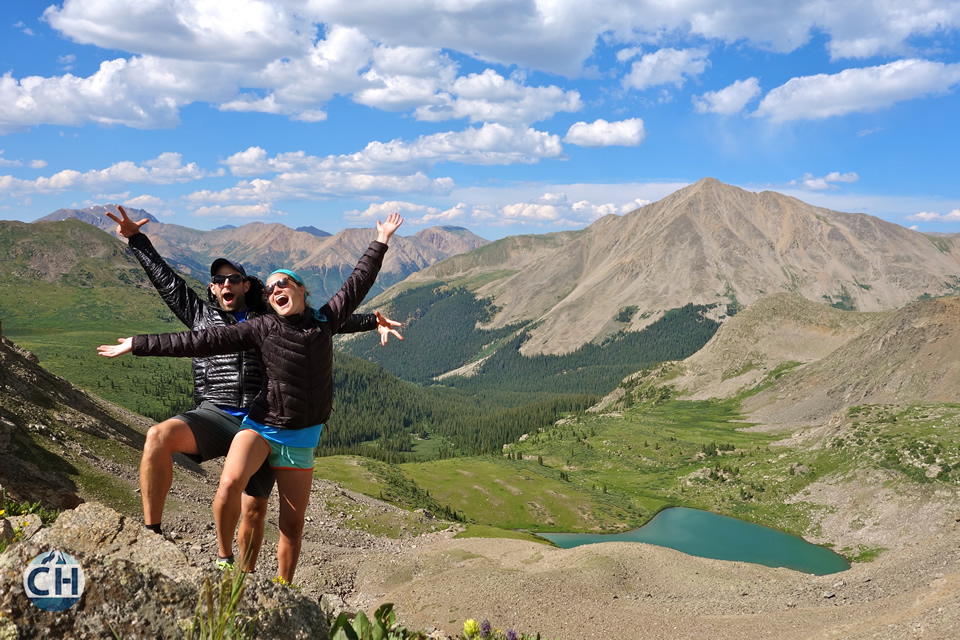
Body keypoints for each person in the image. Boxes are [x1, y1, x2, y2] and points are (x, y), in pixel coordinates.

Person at [99, 212, 403, 583]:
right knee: (158, 437)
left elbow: (323, 317)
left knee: (256, 512)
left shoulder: (267, 316)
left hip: (264, 419)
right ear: (212, 288)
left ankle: (244, 581)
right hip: (218, 415)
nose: (226, 284)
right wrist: (137, 241)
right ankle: (153, 533)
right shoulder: (201, 316)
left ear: (246, 286)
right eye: (219, 280)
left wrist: (371, 320)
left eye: (234, 279)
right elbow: (168, 285)